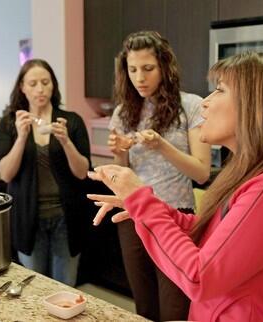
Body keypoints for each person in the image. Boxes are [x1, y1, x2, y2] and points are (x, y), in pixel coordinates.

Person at [88, 51, 263, 321]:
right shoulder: (244, 172)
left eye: (219, 90)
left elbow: (200, 276)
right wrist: (143, 208)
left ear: (255, 106)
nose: (206, 104)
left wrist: (143, 202)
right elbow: (210, 234)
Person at [104, 31, 212, 321]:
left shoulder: (190, 105)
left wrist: (161, 145)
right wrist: (119, 152)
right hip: (132, 216)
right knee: (143, 306)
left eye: (148, 69)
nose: (140, 77)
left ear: (165, 67)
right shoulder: (122, 112)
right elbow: (123, 171)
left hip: (176, 216)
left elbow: (202, 172)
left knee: (175, 307)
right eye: (133, 69)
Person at [0, 59, 91, 286]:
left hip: (65, 218)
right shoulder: (11, 123)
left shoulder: (71, 120)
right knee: (32, 287)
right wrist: (21, 137)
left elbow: (82, 172)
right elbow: (6, 174)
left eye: (45, 82)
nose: (40, 89)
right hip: (27, 217)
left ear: (53, 86)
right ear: (22, 87)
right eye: (33, 83)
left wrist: (66, 141)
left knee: (65, 286)